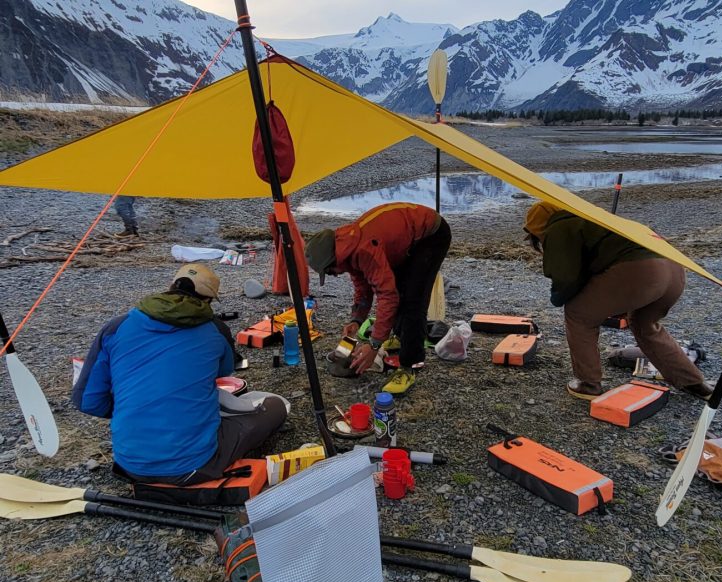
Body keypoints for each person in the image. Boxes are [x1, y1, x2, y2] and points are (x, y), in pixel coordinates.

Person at [72, 263, 287, 484]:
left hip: (130, 464)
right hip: (194, 465)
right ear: (208, 300)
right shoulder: (214, 329)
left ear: (170, 286)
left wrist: (137, 408)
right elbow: (225, 370)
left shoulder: (116, 327)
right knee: (275, 407)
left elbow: (88, 401)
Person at [523, 201, 714, 401]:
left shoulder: (560, 227)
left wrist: (558, 297)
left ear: (538, 227)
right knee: (644, 324)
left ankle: (588, 384)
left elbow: (566, 277)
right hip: (673, 268)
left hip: (642, 272)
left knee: (579, 315)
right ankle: (694, 382)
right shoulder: (592, 218)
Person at [305, 202, 451, 395]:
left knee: (413, 301)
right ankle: (401, 337)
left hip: (430, 235)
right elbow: (363, 289)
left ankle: (409, 366)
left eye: (330, 272)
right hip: (404, 242)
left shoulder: (363, 250)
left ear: (334, 261)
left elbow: (387, 296)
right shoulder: (347, 250)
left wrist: (374, 345)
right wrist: (356, 319)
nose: (333, 275)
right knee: (398, 287)